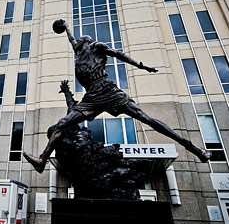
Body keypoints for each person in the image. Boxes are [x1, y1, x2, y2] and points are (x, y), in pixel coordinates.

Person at [23, 19, 210, 173]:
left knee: (146, 118)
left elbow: (119, 54)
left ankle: (194, 148)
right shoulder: (78, 51)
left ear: (88, 41)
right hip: (91, 98)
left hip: (108, 90)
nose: (77, 41)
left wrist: (140, 65)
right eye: (77, 41)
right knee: (62, 124)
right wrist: (65, 28)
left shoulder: (96, 46)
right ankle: (42, 160)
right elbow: (70, 38)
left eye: (81, 40)